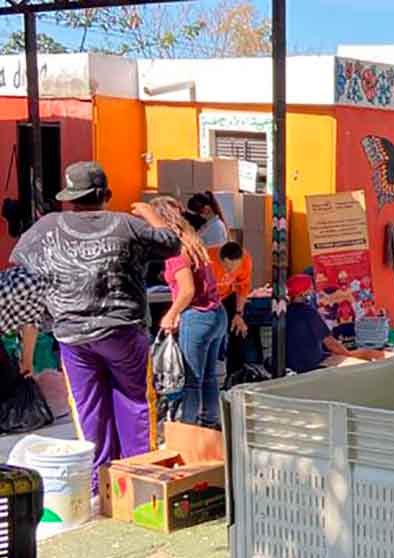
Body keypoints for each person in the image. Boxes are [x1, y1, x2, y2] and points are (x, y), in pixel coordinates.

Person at [11, 161, 180, 493]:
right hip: (122, 331)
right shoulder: (127, 225)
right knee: (134, 404)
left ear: (70, 197)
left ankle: (98, 486)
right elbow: (171, 243)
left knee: (90, 411)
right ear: (107, 195)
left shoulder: (47, 226)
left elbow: (19, 262)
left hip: (73, 335)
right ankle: (138, 485)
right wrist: (151, 213)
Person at [152, 196, 227, 427]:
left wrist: (170, 314)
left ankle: (189, 429)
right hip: (217, 314)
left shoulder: (176, 253)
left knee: (191, 381)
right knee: (209, 377)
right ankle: (211, 425)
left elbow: (187, 290)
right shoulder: (194, 244)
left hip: (197, 317)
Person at [284, 273, 384, 373]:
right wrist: (349, 356)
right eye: (310, 288)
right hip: (312, 364)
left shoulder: (286, 312)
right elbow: (331, 344)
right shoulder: (308, 312)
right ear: (303, 292)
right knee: (365, 355)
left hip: (295, 363)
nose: (312, 290)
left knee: (363, 353)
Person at [212, 241, 253, 374]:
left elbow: (243, 288)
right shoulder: (207, 260)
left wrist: (238, 314)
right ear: (223, 260)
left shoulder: (245, 260)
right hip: (207, 298)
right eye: (229, 268)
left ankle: (235, 374)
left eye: (236, 267)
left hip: (227, 296)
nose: (233, 272)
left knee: (238, 329)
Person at [0, 265, 46, 380]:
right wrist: (27, 364)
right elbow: (30, 324)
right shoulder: (33, 282)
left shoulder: (31, 275)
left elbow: (31, 322)